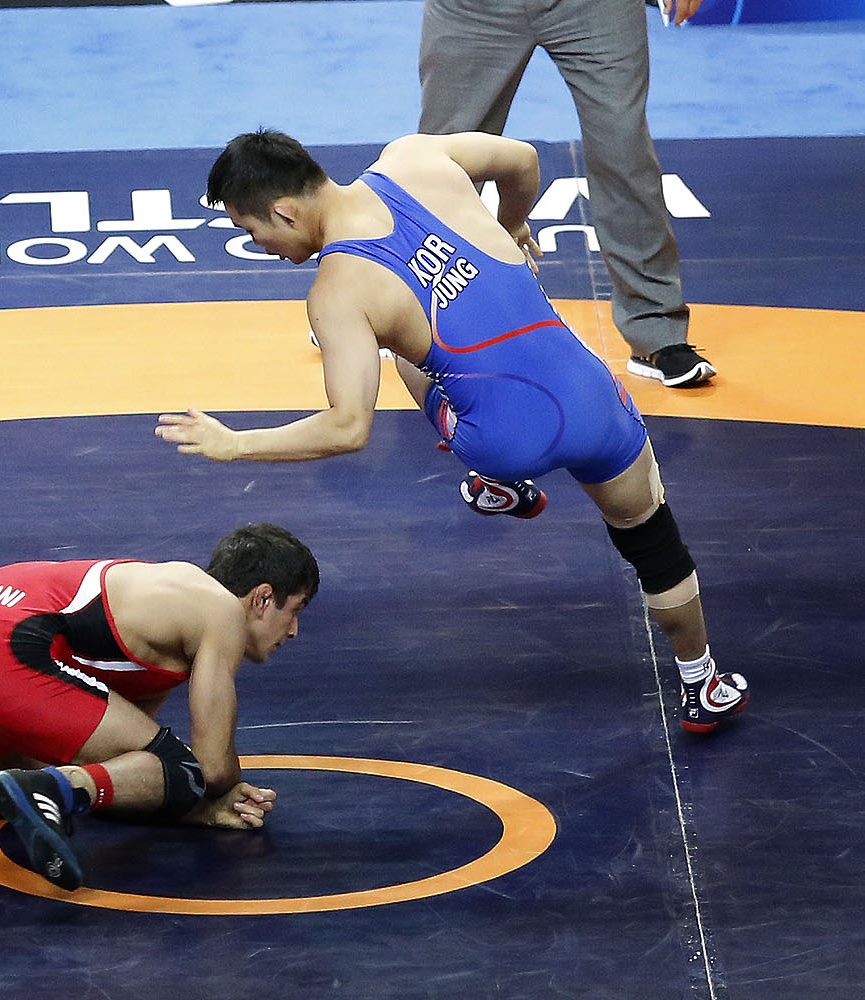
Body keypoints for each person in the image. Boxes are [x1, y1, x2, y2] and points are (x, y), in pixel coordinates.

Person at [156, 129, 747, 735]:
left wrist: (236, 444)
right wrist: (510, 227)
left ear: (284, 211)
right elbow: (524, 160)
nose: (261, 247)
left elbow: (348, 427)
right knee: (650, 538)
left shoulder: (339, 291)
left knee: (410, 352)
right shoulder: (415, 158)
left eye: (252, 231)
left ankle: (497, 479)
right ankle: (702, 680)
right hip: (591, 401)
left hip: (500, 441)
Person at [0, 522, 319, 891]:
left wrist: (185, 806)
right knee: (177, 768)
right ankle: (52, 793)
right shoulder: (221, 610)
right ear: (261, 598)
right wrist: (214, 801)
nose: (295, 632)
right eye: (295, 610)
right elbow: (212, 770)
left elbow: (126, 774)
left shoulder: (165, 606)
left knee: (22, 788)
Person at [418, 0, 717, 388]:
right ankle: (409, 315)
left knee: (624, 147)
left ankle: (656, 329)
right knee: (444, 159)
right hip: (476, 7)